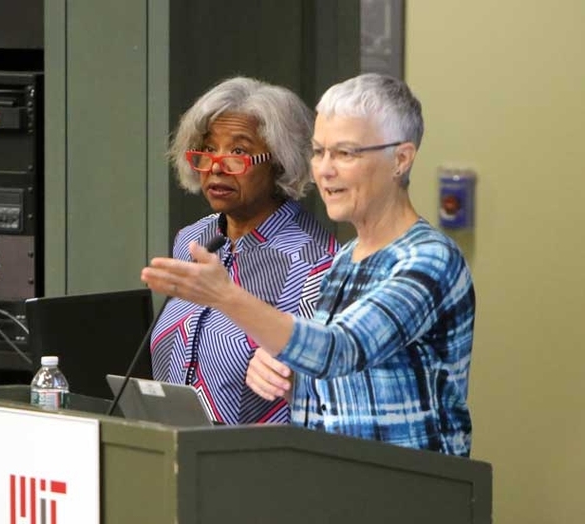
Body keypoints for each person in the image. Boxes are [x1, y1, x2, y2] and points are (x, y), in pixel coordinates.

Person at [142, 73, 475, 456]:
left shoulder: (429, 259)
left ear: (400, 159)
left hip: (411, 496)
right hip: (331, 489)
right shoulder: (345, 260)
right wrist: (282, 368)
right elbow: (317, 375)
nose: (325, 170)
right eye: (319, 152)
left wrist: (225, 296)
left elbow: (338, 350)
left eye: (345, 153)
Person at [150, 76, 338, 425]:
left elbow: (320, 389)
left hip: (257, 466)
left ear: (280, 162)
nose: (217, 166)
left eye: (238, 151)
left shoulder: (315, 264)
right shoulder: (194, 238)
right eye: (208, 149)